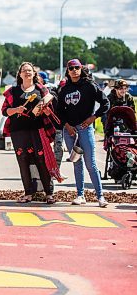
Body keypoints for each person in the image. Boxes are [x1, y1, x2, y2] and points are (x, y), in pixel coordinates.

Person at [2, 62, 61, 204]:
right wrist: (16, 110)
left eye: (29, 71)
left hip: (38, 129)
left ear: (34, 73)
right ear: (20, 74)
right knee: (23, 161)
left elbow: (50, 109)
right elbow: (4, 111)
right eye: (24, 71)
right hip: (18, 130)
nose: (27, 73)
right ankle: (28, 193)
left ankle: (49, 194)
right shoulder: (13, 91)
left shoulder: (41, 90)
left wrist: (47, 111)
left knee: (42, 160)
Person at [56, 59, 110, 207]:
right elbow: (59, 111)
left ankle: (100, 196)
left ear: (81, 69)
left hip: (85, 129)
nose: (74, 70)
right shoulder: (64, 89)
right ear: (67, 71)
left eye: (77, 67)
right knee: (76, 162)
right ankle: (80, 195)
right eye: (71, 68)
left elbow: (105, 103)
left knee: (90, 163)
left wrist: (94, 117)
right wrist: (66, 125)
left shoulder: (90, 86)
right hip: (70, 131)